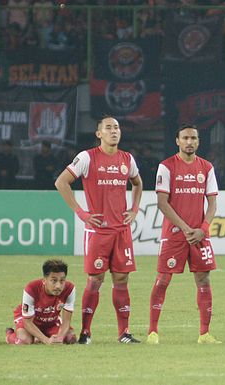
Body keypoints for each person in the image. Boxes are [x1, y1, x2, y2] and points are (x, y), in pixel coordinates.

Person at [55, 116, 143, 344]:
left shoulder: (127, 159)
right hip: (98, 232)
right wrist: (81, 213)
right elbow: (61, 182)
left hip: (121, 231)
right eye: (109, 128)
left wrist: (134, 209)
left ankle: (124, 333)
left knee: (122, 279)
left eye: (117, 128)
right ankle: (86, 332)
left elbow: (138, 182)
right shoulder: (87, 157)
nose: (114, 131)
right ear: (99, 134)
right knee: (95, 280)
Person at [147, 125, 221, 345]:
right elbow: (162, 202)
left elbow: (213, 202)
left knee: (203, 279)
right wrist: (186, 228)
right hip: (174, 234)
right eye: (185, 138)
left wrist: (203, 229)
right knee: (163, 280)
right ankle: (153, 332)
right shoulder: (167, 166)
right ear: (177, 141)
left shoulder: (206, 168)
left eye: (194, 138)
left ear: (198, 142)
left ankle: (204, 334)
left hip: (199, 235)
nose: (189, 141)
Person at [6, 259, 77, 345]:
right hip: (29, 320)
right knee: (24, 340)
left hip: (51, 320)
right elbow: (27, 322)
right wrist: (46, 340)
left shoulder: (69, 289)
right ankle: (10, 334)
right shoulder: (31, 288)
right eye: (54, 280)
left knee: (70, 338)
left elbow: (66, 321)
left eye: (62, 280)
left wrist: (59, 338)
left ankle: (39, 336)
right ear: (44, 280)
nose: (58, 286)